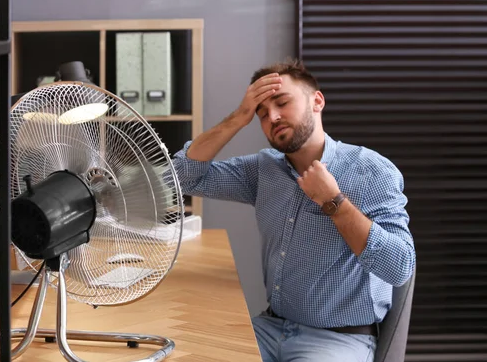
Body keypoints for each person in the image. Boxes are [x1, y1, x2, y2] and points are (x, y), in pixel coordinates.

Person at [171, 58, 416, 362]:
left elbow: (399, 266)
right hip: (270, 328)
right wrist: (238, 117)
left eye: (282, 102)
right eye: (261, 114)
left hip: (337, 341)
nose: (272, 117)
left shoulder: (372, 171)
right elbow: (182, 176)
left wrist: (334, 202)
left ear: (317, 101)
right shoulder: (263, 170)